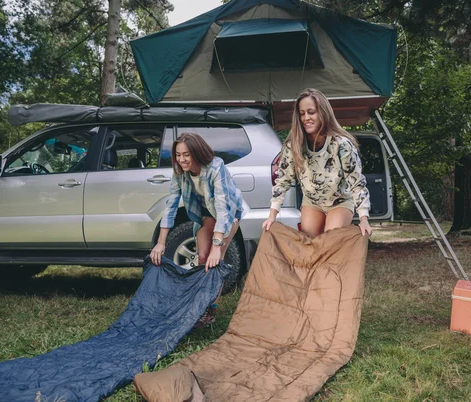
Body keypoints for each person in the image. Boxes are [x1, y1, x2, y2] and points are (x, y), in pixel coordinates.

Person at [150, 132, 244, 327]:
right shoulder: (180, 173)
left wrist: (218, 245)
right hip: (205, 213)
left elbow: (223, 207)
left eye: (186, 154)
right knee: (202, 259)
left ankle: (210, 310)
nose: (182, 159)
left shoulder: (216, 167)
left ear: (197, 152)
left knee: (214, 262)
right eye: (178, 154)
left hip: (227, 214)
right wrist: (160, 243)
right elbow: (171, 205)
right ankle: (200, 305)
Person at [262, 88, 372, 237]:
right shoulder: (293, 146)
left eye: (311, 112)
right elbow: (283, 181)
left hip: (339, 201)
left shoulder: (341, 145)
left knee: (330, 241)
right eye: (302, 114)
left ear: (323, 113)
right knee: (310, 245)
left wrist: (364, 218)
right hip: (312, 202)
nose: (306, 117)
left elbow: (356, 182)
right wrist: (272, 216)